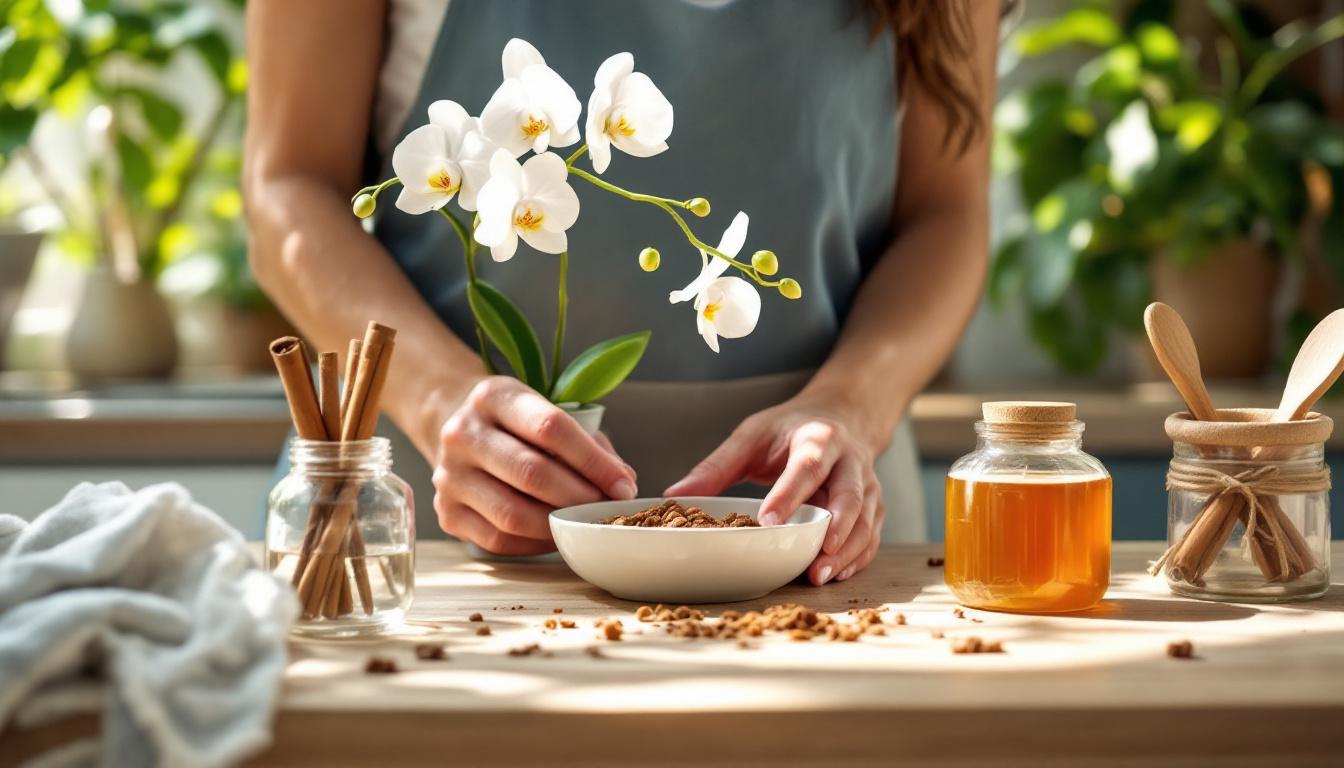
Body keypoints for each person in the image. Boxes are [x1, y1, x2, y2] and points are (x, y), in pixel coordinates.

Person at [244, 0, 997, 584]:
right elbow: (288, 186)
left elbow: (945, 213)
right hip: (431, 512)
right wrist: (441, 401)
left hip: (814, 524)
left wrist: (854, 407)